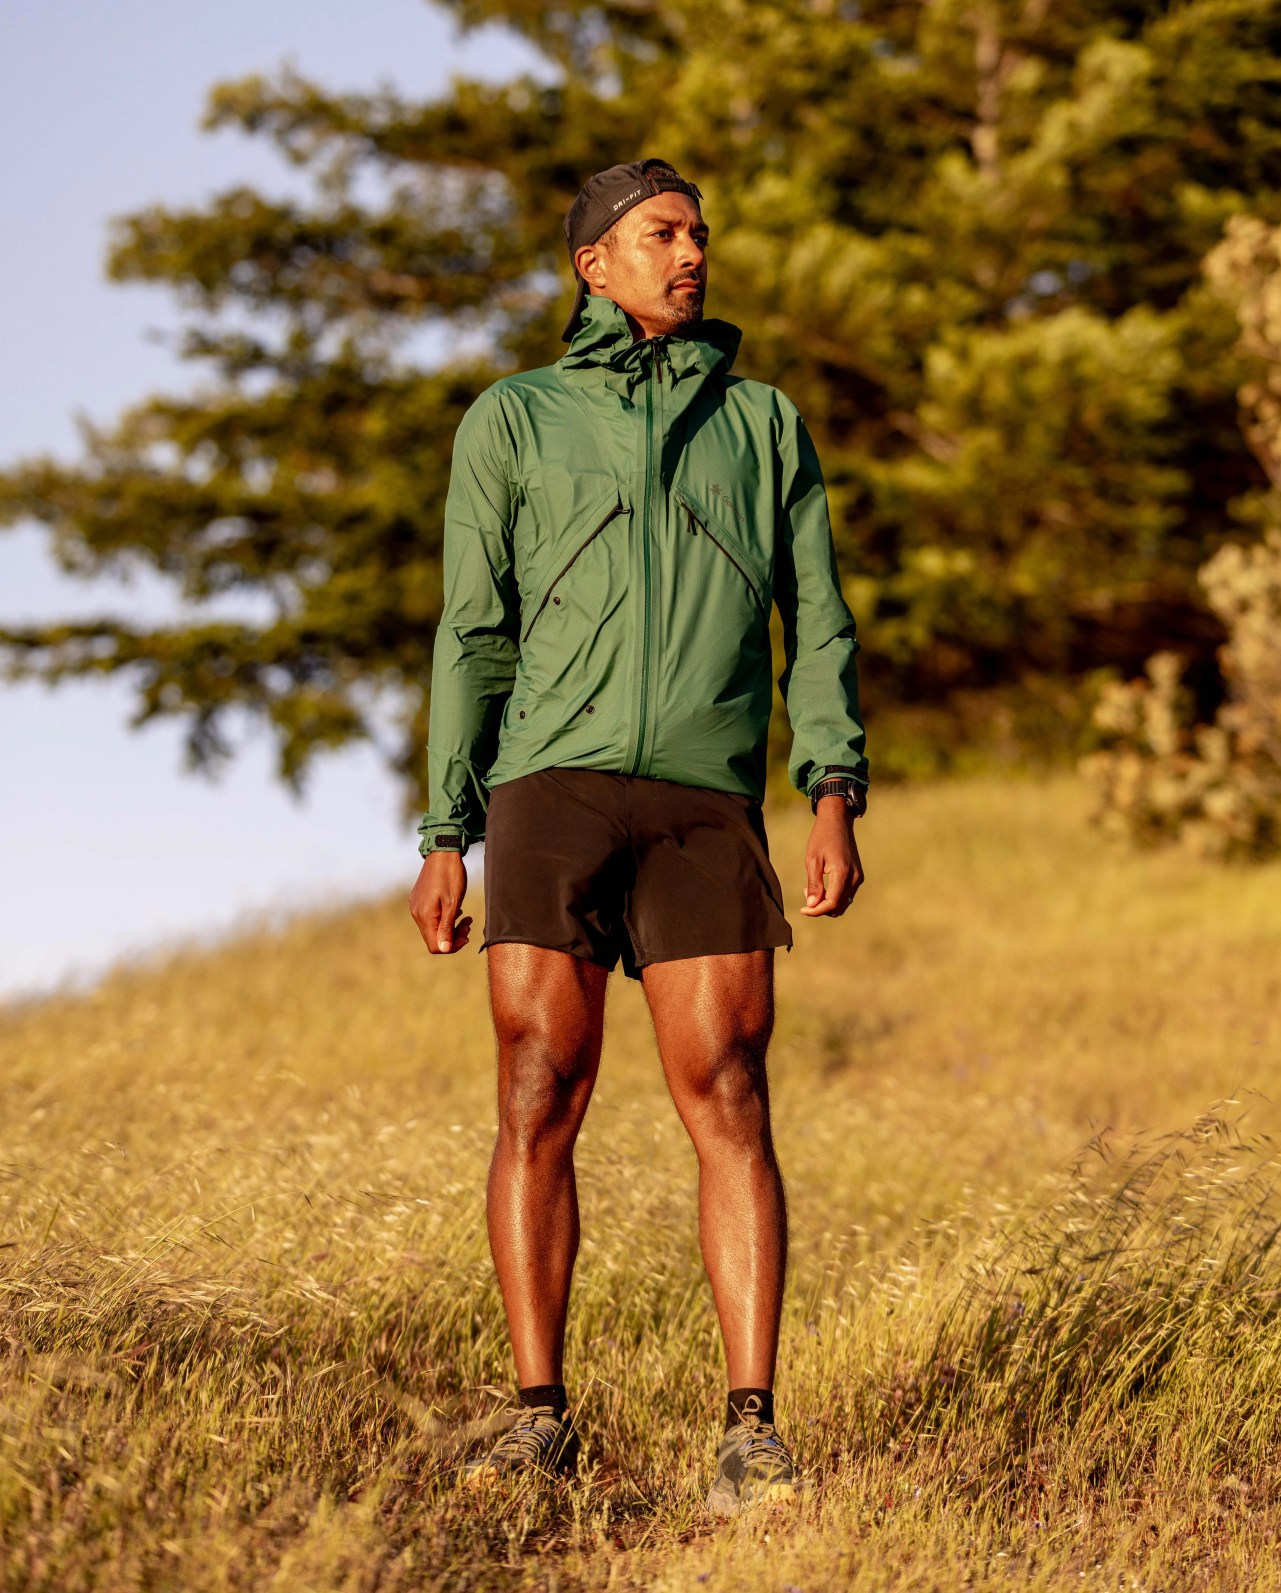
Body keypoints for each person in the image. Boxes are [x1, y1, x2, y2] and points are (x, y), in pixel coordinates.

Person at [410, 157, 868, 1517]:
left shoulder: (765, 423)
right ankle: (537, 1409)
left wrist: (831, 785)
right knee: (540, 1082)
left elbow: (819, 619)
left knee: (725, 1085)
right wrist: (446, 824)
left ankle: (750, 1428)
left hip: (704, 798)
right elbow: (470, 632)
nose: (691, 254)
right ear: (591, 263)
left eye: (699, 235)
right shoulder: (514, 419)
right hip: (546, 788)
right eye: (662, 234)